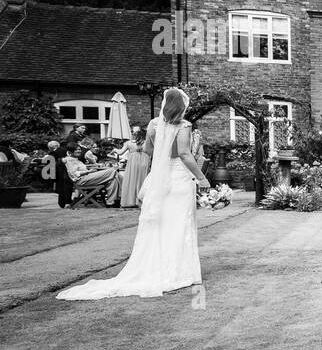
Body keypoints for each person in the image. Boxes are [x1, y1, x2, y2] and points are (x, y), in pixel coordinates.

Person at [57, 88, 210, 300]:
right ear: (181, 106)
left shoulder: (154, 124)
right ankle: (180, 270)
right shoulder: (184, 125)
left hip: (160, 178)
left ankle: (157, 266)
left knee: (161, 223)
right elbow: (184, 153)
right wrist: (201, 177)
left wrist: (160, 149)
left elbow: (147, 150)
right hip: (179, 178)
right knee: (180, 222)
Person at [119, 127, 148, 208]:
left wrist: (114, 150)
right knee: (142, 181)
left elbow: (120, 152)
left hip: (133, 164)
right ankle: (141, 201)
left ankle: (130, 201)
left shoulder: (128, 143)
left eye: (132, 132)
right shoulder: (147, 142)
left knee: (131, 180)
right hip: (144, 163)